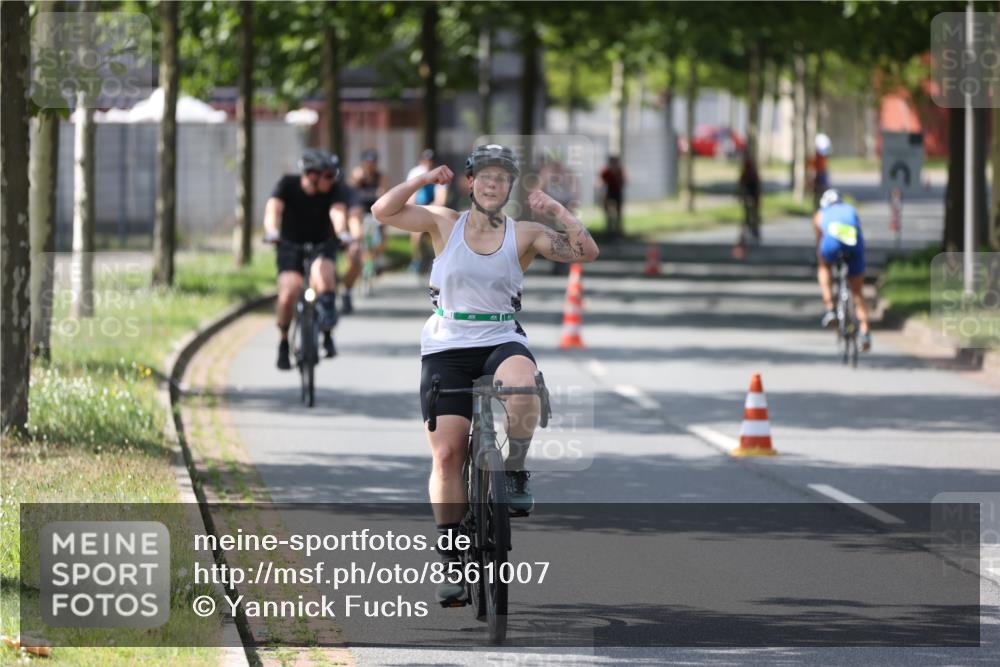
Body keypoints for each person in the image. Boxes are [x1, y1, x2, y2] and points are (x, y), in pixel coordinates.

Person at [371, 144, 600, 606]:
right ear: (470, 183)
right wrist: (421, 179)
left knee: (522, 387)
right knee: (448, 456)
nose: (494, 184)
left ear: (510, 188)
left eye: (503, 178)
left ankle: (513, 470)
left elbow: (586, 251)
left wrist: (557, 209)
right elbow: (383, 211)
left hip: (500, 338)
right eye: (486, 177)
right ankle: (452, 557)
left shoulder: (525, 234)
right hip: (447, 346)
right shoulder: (444, 222)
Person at [262, 148, 362, 370]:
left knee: (323, 276)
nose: (332, 180)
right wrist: (271, 230)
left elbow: (337, 213)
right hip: (289, 244)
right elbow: (273, 209)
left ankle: (327, 332)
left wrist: (343, 233)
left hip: (322, 244)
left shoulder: (333, 191)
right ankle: (284, 342)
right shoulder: (287, 184)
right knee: (289, 291)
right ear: (311, 175)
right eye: (327, 175)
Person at [814, 188, 871, 351]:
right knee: (858, 292)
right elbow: (859, 232)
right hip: (854, 244)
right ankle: (865, 331)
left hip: (831, 243)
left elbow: (819, 241)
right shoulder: (851, 209)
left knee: (823, 266)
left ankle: (830, 308)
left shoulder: (821, 213)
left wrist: (822, 259)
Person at [406, 149, 448, 273]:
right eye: (426, 160)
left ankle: (439, 260)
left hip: (432, 209)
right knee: (416, 234)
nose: (428, 163)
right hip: (417, 208)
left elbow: (441, 199)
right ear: (421, 161)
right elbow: (410, 196)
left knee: (439, 232)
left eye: (430, 161)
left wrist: (432, 209)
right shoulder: (415, 173)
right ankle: (417, 258)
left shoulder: (441, 174)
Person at [350, 148, 387, 272]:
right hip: (360, 211)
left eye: (373, 162)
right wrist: (358, 178)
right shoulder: (358, 175)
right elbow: (351, 191)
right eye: (368, 162)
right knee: (358, 231)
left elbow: (382, 194)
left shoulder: (380, 176)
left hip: (374, 211)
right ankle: (360, 256)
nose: (370, 165)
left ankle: (379, 253)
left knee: (382, 225)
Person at [600, 156, 625, 238]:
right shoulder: (606, 172)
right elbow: (602, 183)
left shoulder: (619, 171)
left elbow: (623, 181)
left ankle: (618, 230)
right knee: (609, 212)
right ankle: (610, 229)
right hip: (609, 193)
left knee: (618, 212)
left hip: (617, 193)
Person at [738, 156, 762, 244]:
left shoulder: (751, 174)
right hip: (749, 197)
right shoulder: (747, 174)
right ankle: (750, 232)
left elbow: (756, 187)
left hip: (752, 197)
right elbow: (742, 186)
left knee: (751, 215)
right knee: (749, 216)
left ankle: (754, 231)